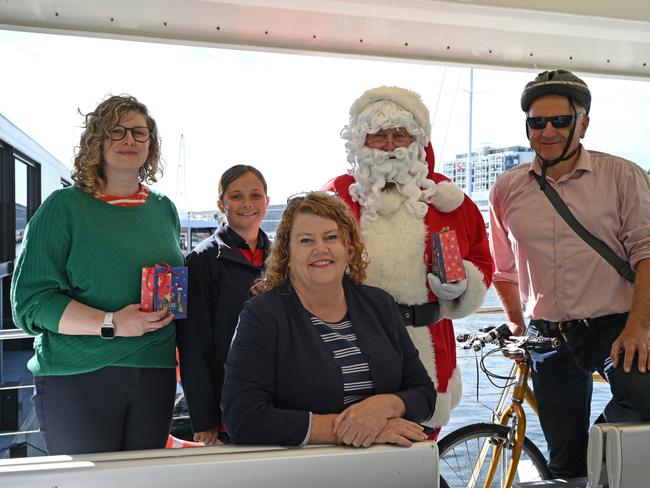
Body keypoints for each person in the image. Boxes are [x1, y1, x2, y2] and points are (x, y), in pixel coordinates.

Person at [489, 69, 650, 478]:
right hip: (546, 332)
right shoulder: (507, 189)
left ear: (583, 123)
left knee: (644, 394)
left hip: (613, 325)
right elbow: (503, 269)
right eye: (537, 122)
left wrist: (639, 328)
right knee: (563, 457)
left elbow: (647, 253)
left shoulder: (622, 176)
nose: (547, 131)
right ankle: (582, 470)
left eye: (560, 121)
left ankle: (601, 463)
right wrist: (514, 322)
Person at [10, 95, 183, 455]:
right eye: (116, 131)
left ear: (150, 144)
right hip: (79, 373)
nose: (129, 140)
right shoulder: (63, 208)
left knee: (143, 482)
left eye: (139, 132)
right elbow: (31, 304)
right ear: (96, 142)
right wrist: (112, 323)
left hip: (156, 371)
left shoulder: (164, 209)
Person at [324, 86, 494, 431]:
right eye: (378, 136)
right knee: (354, 435)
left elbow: (481, 258)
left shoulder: (450, 199)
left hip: (428, 345)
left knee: (420, 441)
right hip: (350, 343)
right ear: (361, 141)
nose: (389, 145)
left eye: (399, 135)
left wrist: (464, 288)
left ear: (416, 141)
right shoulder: (335, 197)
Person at [221, 191, 436, 447]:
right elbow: (242, 418)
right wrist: (351, 430)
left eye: (331, 237)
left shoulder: (380, 304)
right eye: (306, 240)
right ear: (286, 254)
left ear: (349, 246)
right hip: (309, 469)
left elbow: (424, 394)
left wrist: (385, 406)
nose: (320, 248)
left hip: (389, 462)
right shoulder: (262, 315)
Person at [177, 164, 271, 445]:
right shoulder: (201, 260)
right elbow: (193, 344)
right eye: (236, 196)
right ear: (221, 203)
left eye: (255, 195)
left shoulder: (281, 257)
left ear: (266, 200)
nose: (247, 204)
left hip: (278, 400)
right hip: (227, 404)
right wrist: (204, 419)